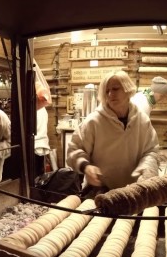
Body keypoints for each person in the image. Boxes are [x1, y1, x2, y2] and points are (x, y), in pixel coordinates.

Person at [66, 70, 159, 198]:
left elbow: (151, 151)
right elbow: (74, 150)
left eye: (115, 89)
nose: (110, 94)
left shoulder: (142, 121)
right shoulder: (93, 122)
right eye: (107, 91)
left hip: (133, 194)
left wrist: (147, 171)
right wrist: (86, 167)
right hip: (99, 193)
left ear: (127, 90)